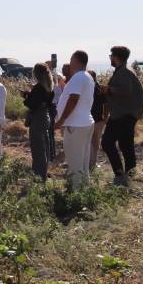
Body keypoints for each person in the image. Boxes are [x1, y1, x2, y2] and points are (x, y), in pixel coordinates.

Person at [100, 45, 143, 186]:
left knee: (107, 142)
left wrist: (109, 90)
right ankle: (130, 174)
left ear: (116, 57)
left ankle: (120, 175)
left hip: (123, 115)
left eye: (111, 56)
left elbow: (126, 91)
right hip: (127, 114)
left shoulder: (124, 72)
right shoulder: (123, 71)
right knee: (126, 144)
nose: (110, 59)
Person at [54, 50, 96, 190]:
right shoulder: (87, 76)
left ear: (77, 61)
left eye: (71, 60)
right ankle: (85, 188)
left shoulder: (78, 77)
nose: (70, 63)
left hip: (76, 125)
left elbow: (73, 99)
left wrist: (61, 120)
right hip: (85, 122)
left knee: (74, 161)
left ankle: (75, 191)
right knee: (83, 160)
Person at [23, 63, 55, 180]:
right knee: (45, 146)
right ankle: (44, 171)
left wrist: (26, 96)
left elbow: (31, 104)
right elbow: (43, 100)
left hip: (37, 119)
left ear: (36, 74)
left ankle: (39, 175)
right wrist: (30, 94)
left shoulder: (38, 87)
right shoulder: (49, 86)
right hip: (45, 117)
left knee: (37, 148)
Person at [87, 71, 107, 171]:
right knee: (95, 142)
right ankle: (92, 163)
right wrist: (105, 117)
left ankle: (90, 163)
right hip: (98, 119)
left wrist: (105, 117)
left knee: (90, 142)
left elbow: (106, 103)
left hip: (91, 119)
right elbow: (106, 103)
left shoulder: (89, 88)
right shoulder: (100, 88)